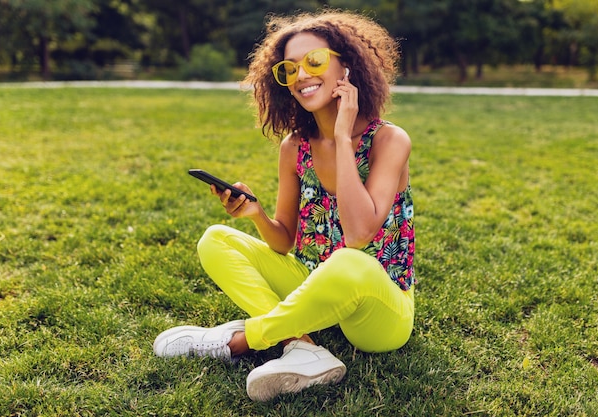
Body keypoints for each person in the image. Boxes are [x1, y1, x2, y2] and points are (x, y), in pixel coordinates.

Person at [153, 9, 416, 402]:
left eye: (314, 61)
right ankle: (303, 345)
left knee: (347, 261)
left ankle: (244, 341)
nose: (302, 76)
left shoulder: (389, 141)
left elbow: (360, 235)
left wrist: (343, 137)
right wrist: (255, 214)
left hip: (378, 310)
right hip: (315, 283)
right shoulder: (295, 146)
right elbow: (284, 242)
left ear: (346, 65)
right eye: (289, 70)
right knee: (216, 239)